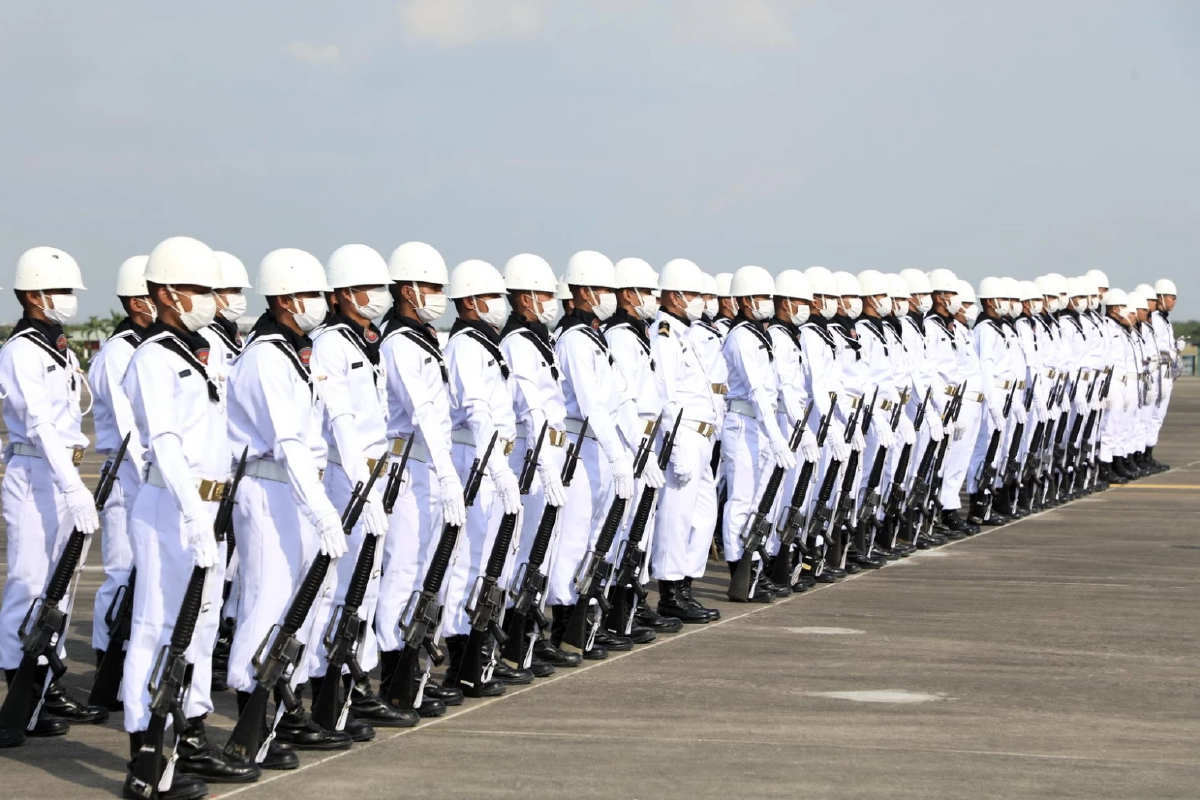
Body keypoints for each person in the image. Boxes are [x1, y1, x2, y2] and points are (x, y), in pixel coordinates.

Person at [120, 236, 260, 798]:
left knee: (199, 629)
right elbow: (165, 443)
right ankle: (144, 760)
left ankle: (191, 738)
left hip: (211, 505)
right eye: (199, 289)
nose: (210, 299)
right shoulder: (153, 357)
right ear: (166, 293)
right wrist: (193, 513)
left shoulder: (203, 352)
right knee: (156, 629)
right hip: (171, 506)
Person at [225, 248, 355, 752]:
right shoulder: (264, 356)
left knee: (304, 603)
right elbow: (286, 441)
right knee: (266, 604)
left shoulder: (293, 353)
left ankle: (284, 708)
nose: (320, 302)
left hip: (297, 486)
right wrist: (321, 508)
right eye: (310, 294)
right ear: (283, 299)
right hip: (270, 488)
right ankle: (250, 720)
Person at [305, 244, 417, 726]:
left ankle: (356, 684)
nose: (378, 295)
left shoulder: (364, 341)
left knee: (367, 587)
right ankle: (329, 691)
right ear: (342, 294)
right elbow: (340, 421)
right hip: (347, 476)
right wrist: (361, 485)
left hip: (375, 474)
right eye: (368, 287)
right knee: (343, 588)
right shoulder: (330, 343)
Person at [1, 246, 108, 742]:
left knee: (60, 587)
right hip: (37, 475)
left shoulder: (57, 347)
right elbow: (40, 424)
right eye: (60, 290)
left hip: (64, 472)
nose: (68, 298)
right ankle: (18, 695)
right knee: (28, 585)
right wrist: (72, 485)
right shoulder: (21, 350)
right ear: (33, 294)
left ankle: (45, 686)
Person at [374, 242, 466, 711]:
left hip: (429, 463)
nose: (438, 295)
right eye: (430, 286)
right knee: (403, 570)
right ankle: (394, 675)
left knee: (425, 572)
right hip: (407, 465)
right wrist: (448, 472)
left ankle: (415, 671)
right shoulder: (398, 343)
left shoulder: (424, 338)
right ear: (407, 289)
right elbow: (422, 411)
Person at [440, 259, 532, 694]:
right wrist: (495, 466)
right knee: (470, 561)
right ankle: (462, 658)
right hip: (475, 458)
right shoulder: (465, 345)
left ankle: (482, 655)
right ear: (470, 301)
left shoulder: (485, 343)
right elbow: (476, 410)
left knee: (494, 560)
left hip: (493, 458)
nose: (500, 303)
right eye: (492, 296)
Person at [497, 254, 581, 670]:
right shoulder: (517, 342)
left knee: (543, 550)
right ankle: (517, 639)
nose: (552, 301)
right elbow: (530, 408)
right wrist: (545, 464)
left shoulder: (536, 338)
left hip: (550, 451)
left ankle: (531, 636)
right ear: (526, 297)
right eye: (546, 294)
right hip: (532, 458)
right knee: (528, 550)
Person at [549, 251, 634, 658]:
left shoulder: (594, 337)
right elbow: (590, 405)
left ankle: (584, 623)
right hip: (580, 444)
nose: (610, 296)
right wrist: (618, 455)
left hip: (599, 443)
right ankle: (564, 624)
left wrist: (626, 449)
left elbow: (618, 400)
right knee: (574, 537)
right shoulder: (573, 340)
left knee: (596, 537)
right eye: (603, 288)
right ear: (583, 291)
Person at [650, 258, 722, 623]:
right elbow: (666, 393)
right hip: (684, 435)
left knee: (704, 515)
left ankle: (686, 585)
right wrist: (675, 444)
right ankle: (670, 591)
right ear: (674, 295)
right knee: (676, 516)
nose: (699, 301)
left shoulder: (687, 333)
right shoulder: (664, 334)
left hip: (703, 436)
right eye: (693, 294)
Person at [89, 256, 153, 666]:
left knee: (146, 571)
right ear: (135, 302)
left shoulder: (150, 346)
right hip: (128, 472)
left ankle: (130, 656)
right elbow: (128, 426)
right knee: (121, 570)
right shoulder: (119, 352)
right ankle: (106, 659)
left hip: (149, 474)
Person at [720, 266, 794, 601]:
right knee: (741, 501)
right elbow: (755, 389)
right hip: (744, 424)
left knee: (760, 502)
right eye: (762, 296)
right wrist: (776, 436)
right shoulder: (740, 337)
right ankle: (739, 569)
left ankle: (755, 568)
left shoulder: (761, 335)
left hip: (763, 424)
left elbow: (779, 386)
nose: (768, 302)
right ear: (746, 300)